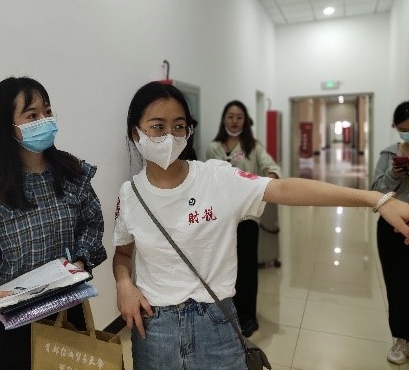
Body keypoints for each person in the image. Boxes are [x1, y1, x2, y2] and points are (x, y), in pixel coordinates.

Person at [112, 81, 409, 370]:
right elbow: (123, 254)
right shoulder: (130, 195)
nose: (170, 136)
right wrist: (124, 283)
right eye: (158, 126)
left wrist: (374, 198)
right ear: (136, 133)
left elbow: (284, 189)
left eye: (179, 126)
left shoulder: (216, 177)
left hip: (215, 322)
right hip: (154, 328)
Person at [0, 77, 107, 369]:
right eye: (32, 115)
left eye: (47, 111)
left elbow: (91, 224)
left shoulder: (73, 175)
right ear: (6, 126)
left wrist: (81, 261)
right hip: (15, 323)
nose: (44, 120)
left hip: (68, 312)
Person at [206, 100, 281, 337]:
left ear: (245, 121)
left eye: (239, 117)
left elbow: (272, 168)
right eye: (230, 116)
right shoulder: (213, 147)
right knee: (225, 268)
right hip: (222, 219)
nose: (235, 121)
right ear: (224, 119)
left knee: (247, 268)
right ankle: (230, 314)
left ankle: (248, 316)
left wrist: (263, 185)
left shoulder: (253, 146)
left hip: (247, 217)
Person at [371, 100, 409, 365]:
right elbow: (375, 190)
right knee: (397, 285)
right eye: (403, 130)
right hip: (391, 228)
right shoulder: (388, 154)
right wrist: (394, 174)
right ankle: (401, 338)